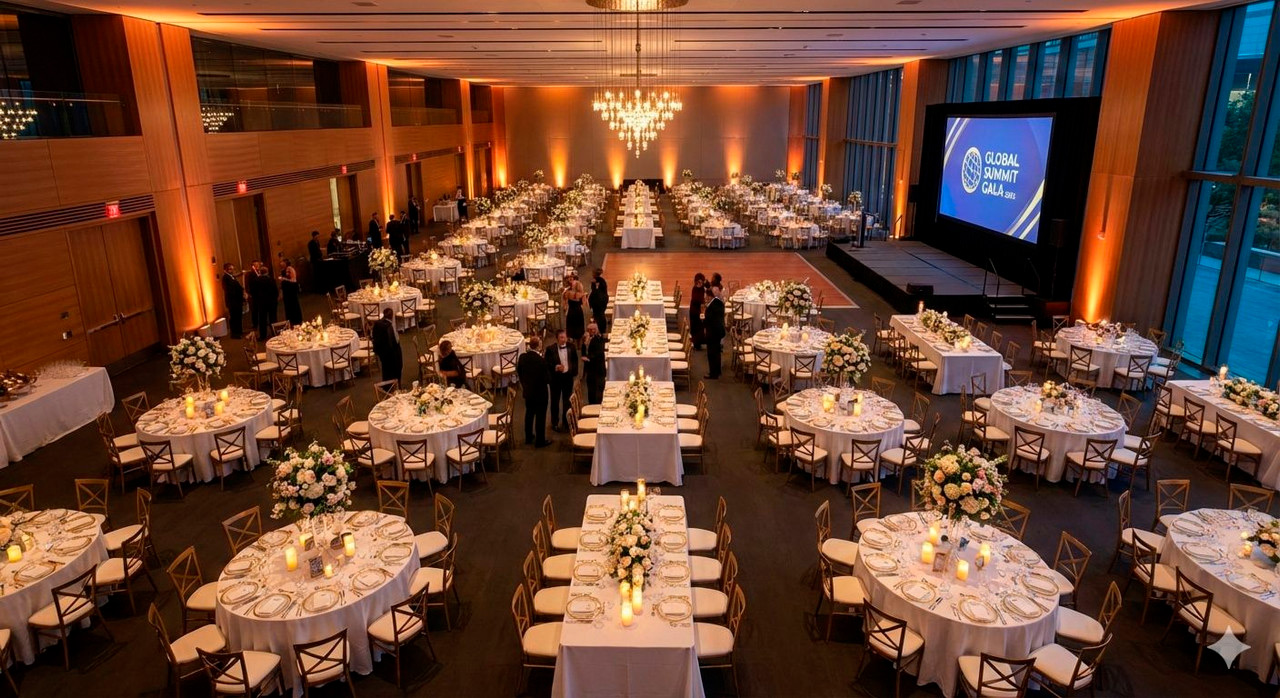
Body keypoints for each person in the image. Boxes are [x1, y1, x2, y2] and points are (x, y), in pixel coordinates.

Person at [517, 335, 551, 447]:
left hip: (528, 391)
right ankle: (540, 440)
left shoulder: (522, 357)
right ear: (538, 346)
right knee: (540, 416)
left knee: (529, 414)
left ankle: (528, 437)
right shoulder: (541, 361)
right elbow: (547, 379)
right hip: (540, 393)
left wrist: (524, 384)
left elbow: (519, 372)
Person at [544, 330, 578, 431]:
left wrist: (573, 372)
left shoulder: (571, 347)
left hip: (568, 377)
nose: (564, 339)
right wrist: (555, 367)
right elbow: (547, 364)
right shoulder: (550, 349)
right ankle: (554, 422)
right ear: (557, 338)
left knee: (567, 401)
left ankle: (566, 423)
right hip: (556, 378)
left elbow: (575, 360)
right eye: (561, 337)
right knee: (555, 401)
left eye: (565, 337)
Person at [371, 308, 402, 382]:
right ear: (392, 316)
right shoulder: (389, 327)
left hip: (382, 352)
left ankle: (387, 384)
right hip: (391, 352)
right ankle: (396, 384)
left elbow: (373, 337)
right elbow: (394, 341)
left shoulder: (377, 323)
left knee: (386, 370)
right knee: (397, 368)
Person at [249, 261, 279, 339]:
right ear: (267, 272)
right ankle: (274, 333)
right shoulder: (271, 279)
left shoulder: (256, 280)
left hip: (261, 302)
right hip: (271, 302)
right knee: (273, 318)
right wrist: (275, 299)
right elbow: (275, 291)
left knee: (262, 319)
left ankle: (263, 335)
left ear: (260, 272)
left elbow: (253, 292)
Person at [704, 283, 725, 379]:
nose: (705, 299)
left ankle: (713, 373)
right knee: (717, 353)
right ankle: (717, 371)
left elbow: (710, 320)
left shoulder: (711, 306)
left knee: (712, 353)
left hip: (713, 333)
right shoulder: (719, 302)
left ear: (709, 296)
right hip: (718, 332)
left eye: (706, 297)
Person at [582, 322, 607, 404]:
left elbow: (599, 352)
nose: (591, 331)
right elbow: (584, 350)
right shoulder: (586, 338)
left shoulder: (598, 339)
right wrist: (585, 343)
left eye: (593, 329)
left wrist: (588, 358)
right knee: (591, 390)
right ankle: (592, 404)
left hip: (598, 368)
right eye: (589, 330)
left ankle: (598, 404)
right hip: (590, 369)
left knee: (599, 390)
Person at [221, 263, 245, 339]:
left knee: (238, 317)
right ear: (225, 270)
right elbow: (230, 290)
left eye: (233, 269)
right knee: (234, 318)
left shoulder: (231, 276)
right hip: (233, 302)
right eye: (230, 269)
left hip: (237, 301)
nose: (232, 270)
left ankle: (239, 331)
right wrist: (239, 291)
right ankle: (235, 334)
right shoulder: (226, 278)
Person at [279, 258, 303, 327]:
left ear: (285, 263)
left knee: (293, 304)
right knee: (287, 306)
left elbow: (293, 280)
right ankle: (290, 320)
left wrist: (284, 279)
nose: (281, 263)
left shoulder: (290, 269)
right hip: (286, 291)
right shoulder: (282, 270)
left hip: (291, 290)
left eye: (282, 262)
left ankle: (297, 320)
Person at [563, 273, 586, 343]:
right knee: (578, 328)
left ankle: (572, 341)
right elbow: (583, 301)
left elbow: (565, 299)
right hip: (578, 311)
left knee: (572, 328)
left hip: (572, 311)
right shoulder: (579, 293)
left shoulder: (568, 293)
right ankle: (578, 342)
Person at [689, 272, 707, 350]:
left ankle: (698, 342)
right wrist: (703, 301)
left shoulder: (702, 288)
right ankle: (696, 343)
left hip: (699, 310)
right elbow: (696, 299)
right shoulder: (695, 289)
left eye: (701, 282)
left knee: (700, 327)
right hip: (694, 311)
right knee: (695, 327)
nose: (700, 283)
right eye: (699, 282)